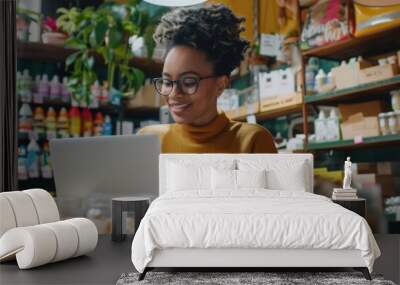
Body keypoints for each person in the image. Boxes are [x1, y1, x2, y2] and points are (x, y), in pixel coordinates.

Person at [138, 4, 277, 153]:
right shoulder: (150, 140)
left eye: (189, 82)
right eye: (166, 82)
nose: (173, 93)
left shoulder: (252, 141)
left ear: (221, 84)